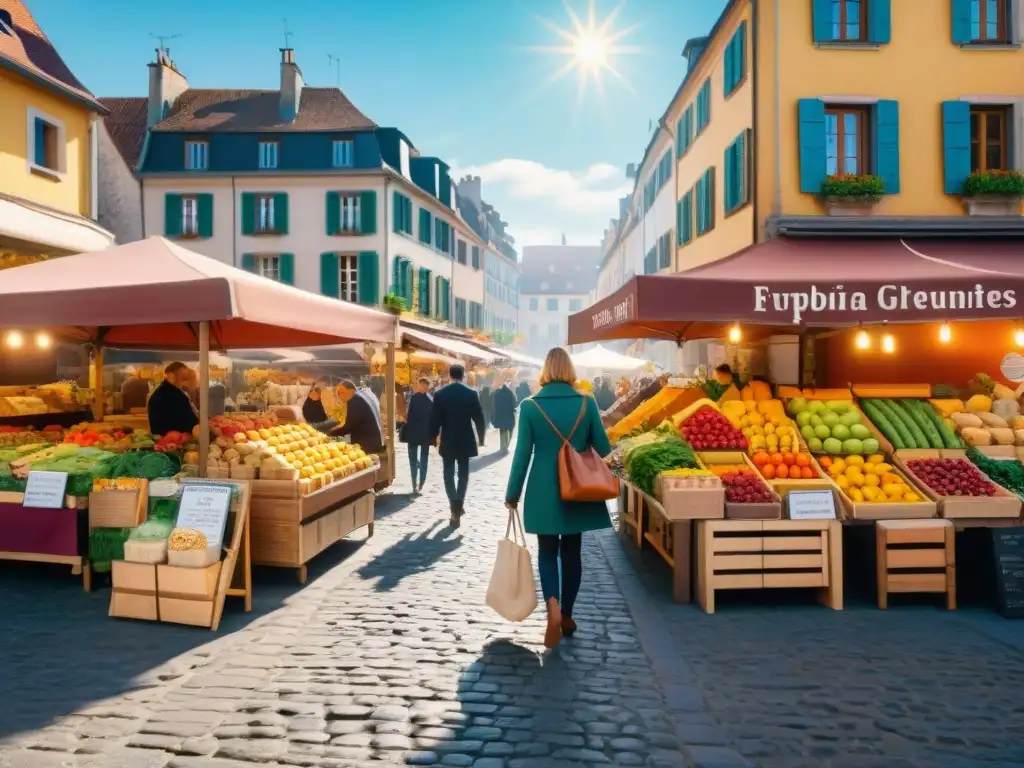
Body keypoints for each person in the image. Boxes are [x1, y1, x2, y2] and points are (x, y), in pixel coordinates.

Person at [504, 347, 612, 649]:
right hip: (578, 487)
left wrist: (512, 493)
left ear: (546, 370)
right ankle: (566, 614)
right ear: (569, 369)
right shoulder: (586, 403)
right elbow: (603, 448)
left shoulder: (529, 406)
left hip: (542, 488)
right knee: (573, 551)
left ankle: (551, 604)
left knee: (547, 551)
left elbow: (522, 454)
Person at [429, 364, 486, 527]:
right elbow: (479, 418)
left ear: (449, 375)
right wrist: (481, 438)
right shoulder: (471, 393)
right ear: (463, 376)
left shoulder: (440, 394)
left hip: (448, 438)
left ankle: (454, 504)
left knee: (448, 473)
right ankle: (458, 502)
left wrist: (433, 437)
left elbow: (435, 419)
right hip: (465, 438)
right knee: (463, 474)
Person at [330, 380, 384, 452]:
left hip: (367, 444)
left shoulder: (355, 401)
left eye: (342, 392)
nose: (340, 396)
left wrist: (330, 434)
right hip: (374, 440)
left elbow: (350, 426)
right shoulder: (364, 394)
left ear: (352, 390)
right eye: (339, 393)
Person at [147, 362, 199, 436]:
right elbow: (187, 421)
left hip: (166, 439)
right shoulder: (171, 395)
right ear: (170, 375)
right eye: (182, 376)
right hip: (175, 440)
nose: (184, 380)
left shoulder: (162, 392)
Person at [401, 377, 434, 493]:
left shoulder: (414, 398)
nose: (417, 386)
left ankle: (414, 483)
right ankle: (421, 483)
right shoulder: (431, 400)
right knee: (424, 459)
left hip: (413, 434)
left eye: (419, 385)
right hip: (426, 435)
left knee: (413, 459)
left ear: (422, 386)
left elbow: (409, 416)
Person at [491, 374, 517, 453]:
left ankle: (503, 447)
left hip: (501, 415)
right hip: (509, 415)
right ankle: (506, 446)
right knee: (510, 430)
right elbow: (514, 405)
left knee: (502, 431)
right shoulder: (511, 393)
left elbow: (494, 405)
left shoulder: (497, 393)